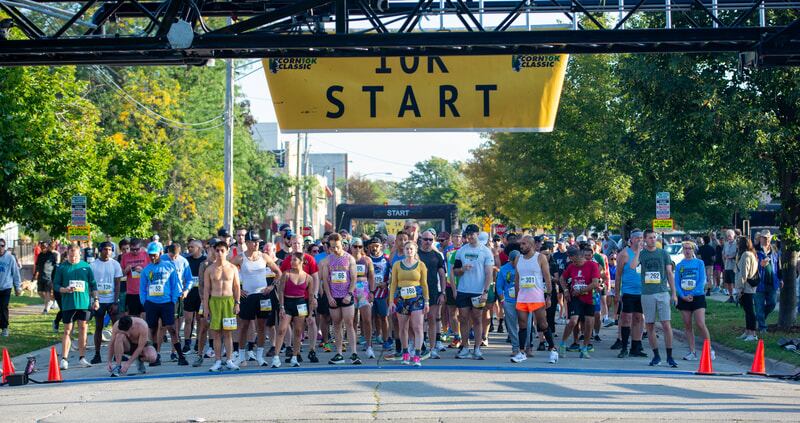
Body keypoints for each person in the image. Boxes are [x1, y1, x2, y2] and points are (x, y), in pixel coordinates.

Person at [231, 231, 282, 367]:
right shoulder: (240, 258)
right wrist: (237, 289)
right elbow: (227, 272)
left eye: (258, 241)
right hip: (247, 296)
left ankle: (259, 356)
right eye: (254, 241)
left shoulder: (264, 257)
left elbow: (278, 273)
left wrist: (271, 287)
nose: (256, 244)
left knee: (261, 327)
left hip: (263, 296)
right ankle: (241, 356)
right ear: (247, 243)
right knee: (244, 326)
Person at [139, 241, 188, 367]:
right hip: (152, 304)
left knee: (172, 329)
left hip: (167, 303)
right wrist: (145, 302)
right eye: (150, 255)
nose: (152, 257)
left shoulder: (169, 266)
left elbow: (175, 285)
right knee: (153, 330)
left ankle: (180, 356)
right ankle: (155, 358)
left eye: (154, 254)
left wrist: (173, 300)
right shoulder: (146, 270)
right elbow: (142, 288)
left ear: (160, 253)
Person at [512, 235, 558, 364]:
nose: (521, 246)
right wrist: (517, 297)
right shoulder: (518, 258)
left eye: (524, 244)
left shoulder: (540, 257)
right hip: (522, 297)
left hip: (537, 297)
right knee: (522, 325)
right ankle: (521, 352)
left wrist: (548, 295)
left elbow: (547, 278)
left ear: (531, 245)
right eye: (521, 244)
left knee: (542, 324)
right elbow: (517, 279)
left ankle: (553, 349)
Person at [452, 224, 495, 360]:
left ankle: (477, 348)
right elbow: (455, 271)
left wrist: (485, 291)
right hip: (464, 290)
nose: (470, 237)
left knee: (477, 318)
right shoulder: (461, 251)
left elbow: (489, 273)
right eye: (468, 234)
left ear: (477, 234)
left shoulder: (486, 251)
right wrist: (463, 269)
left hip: (478, 290)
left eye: (472, 234)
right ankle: (465, 347)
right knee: (463, 318)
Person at [53, 244, 98, 369]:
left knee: (83, 328)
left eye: (76, 256)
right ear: (67, 254)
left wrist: (96, 300)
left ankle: (82, 358)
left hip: (84, 304)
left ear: (80, 255)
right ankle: (64, 359)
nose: (73, 258)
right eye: (71, 256)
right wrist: (64, 289)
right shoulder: (62, 267)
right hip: (68, 304)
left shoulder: (86, 267)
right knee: (68, 330)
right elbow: (55, 285)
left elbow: (93, 285)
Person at [278, 234, 320, 362]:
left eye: (299, 243)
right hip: (292, 298)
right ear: (291, 244)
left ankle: (312, 350)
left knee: (311, 322)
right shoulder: (287, 261)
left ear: (303, 245)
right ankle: (295, 350)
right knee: (294, 326)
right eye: (294, 243)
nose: (296, 245)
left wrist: (315, 296)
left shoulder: (309, 259)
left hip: (307, 297)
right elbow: (281, 280)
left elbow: (316, 278)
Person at [320, 233, 361, 365]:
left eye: (337, 247)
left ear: (342, 244)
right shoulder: (327, 260)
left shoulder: (350, 259)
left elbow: (354, 278)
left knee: (349, 323)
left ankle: (354, 353)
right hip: (333, 297)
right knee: (336, 324)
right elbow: (325, 280)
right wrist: (329, 296)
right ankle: (339, 353)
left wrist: (349, 294)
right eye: (332, 247)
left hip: (346, 295)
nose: (335, 250)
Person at [639, 230, 678, 367]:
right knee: (650, 324)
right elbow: (633, 267)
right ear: (644, 239)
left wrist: (673, 293)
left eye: (654, 237)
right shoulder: (642, 254)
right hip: (647, 293)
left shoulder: (663, 253)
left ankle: (670, 356)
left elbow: (669, 273)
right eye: (650, 238)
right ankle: (656, 356)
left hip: (662, 292)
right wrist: (638, 250)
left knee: (666, 324)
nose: (652, 240)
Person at [270, 253, 315, 367]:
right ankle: (276, 357)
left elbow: (310, 297)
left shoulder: (308, 278)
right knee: (281, 329)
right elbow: (280, 291)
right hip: (287, 303)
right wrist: (281, 307)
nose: (291, 262)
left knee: (298, 331)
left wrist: (310, 314)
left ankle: (295, 357)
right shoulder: (286, 274)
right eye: (291, 260)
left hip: (300, 304)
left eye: (294, 260)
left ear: (301, 261)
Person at [203, 240, 242, 371]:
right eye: (217, 250)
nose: (219, 253)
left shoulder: (233, 268)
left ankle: (229, 360)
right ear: (214, 251)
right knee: (216, 333)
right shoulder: (210, 269)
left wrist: (237, 303)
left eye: (222, 251)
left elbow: (237, 287)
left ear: (227, 252)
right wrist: (206, 308)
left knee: (228, 333)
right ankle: (218, 360)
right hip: (214, 301)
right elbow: (206, 289)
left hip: (228, 301)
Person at [389, 241, 429, 366]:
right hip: (402, 297)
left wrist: (427, 301)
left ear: (415, 250)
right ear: (404, 250)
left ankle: (417, 355)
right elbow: (393, 284)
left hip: (416, 297)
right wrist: (391, 301)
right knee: (403, 327)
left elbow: (424, 284)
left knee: (418, 327)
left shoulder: (421, 265)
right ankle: (405, 353)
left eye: (411, 249)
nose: (409, 251)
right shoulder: (397, 264)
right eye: (407, 249)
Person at [559, 245, 600, 359]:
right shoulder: (571, 266)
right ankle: (562, 343)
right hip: (575, 298)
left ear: (578, 256)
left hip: (589, 298)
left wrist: (581, 290)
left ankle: (585, 348)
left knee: (588, 323)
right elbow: (562, 278)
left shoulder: (592, 265)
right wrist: (566, 290)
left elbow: (595, 283)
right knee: (573, 321)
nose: (572, 262)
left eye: (572, 259)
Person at [675, 241, 711, 361]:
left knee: (700, 323)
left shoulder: (699, 263)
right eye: (685, 248)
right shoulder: (679, 265)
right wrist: (682, 295)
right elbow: (677, 283)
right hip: (684, 298)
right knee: (687, 324)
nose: (687, 251)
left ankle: (709, 349)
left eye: (689, 248)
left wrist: (693, 293)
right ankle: (692, 351)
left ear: (693, 250)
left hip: (698, 296)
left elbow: (702, 280)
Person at [615, 230, 647, 359]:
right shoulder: (624, 254)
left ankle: (636, 346)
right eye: (637, 238)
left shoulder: (644, 254)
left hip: (642, 292)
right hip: (628, 291)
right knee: (626, 318)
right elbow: (618, 275)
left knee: (639, 318)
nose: (640, 240)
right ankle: (624, 347)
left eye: (641, 238)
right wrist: (617, 293)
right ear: (632, 240)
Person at [89, 241, 123, 364]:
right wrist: (93, 300)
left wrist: (115, 301)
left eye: (110, 250)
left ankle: (118, 353)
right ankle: (97, 354)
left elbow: (118, 283)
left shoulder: (115, 264)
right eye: (105, 249)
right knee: (99, 327)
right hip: (99, 301)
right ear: (100, 250)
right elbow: (91, 285)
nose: (108, 252)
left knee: (117, 328)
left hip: (111, 300)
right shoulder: (93, 265)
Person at [417, 230, 447, 358]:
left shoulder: (437, 255)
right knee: (418, 321)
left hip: (433, 292)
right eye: (425, 239)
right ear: (421, 240)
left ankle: (433, 348)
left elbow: (442, 275)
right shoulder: (415, 254)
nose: (428, 242)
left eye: (430, 239)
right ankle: (419, 346)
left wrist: (443, 293)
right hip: (417, 292)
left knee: (432, 319)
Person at [350, 238, 377, 358]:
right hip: (351, 290)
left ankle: (369, 345)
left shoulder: (367, 260)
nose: (357, 249)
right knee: (352, 320)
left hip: (364, 289)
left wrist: (372, 291)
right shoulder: (347, 259)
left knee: (367, 319)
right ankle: (353, 348)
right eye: (355, 246)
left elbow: (371, 276)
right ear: (351, 247)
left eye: (360, 247)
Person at [755, 230, 782, 334]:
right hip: (758, 284)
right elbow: (750, 267)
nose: (766, 240)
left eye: (768, 238)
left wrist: (781, 278)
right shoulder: (755, 250)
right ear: (760, 238)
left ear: (771, 238)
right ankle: (762, 328)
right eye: (764, 238)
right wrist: (760, 265)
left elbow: (778, 266)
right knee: (759, 306)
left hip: (772, 283)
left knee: (772, 303)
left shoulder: (774, 250)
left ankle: (759, 318)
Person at [183, 240, 206, 354]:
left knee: (200, 319)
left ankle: (198, 343)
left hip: (201, 294)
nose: (189, 249)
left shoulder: (204, 261)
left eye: (192, 247)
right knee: (188, 319)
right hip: (189, 293)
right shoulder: (186, 260)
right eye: (188, 247)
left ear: (199, 248)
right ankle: (187, 344)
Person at [496, 250, 520, 358]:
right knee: (512, 326)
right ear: (511, 260)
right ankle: (515, 348)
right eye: (516, 260)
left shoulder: (524, 267)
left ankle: (527, 347)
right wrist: (502, 300)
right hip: (509, 301)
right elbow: (499, 286)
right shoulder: (503, 269)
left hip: (523, 301)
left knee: (527, 325)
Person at [735, 237, 760, 341]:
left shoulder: (746, 255)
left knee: (749, 310)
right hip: (748, 286)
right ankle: (747, 331)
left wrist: (740, 289)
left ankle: (752, 333)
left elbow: (744, 273)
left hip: (746, 287)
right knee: (747, 310)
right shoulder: (751, 253)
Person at [368, 237, 391, 350]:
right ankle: (374, 338)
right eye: (372, 246)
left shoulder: (386, 258)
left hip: (383, 293)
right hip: (370, 292)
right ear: (369, 247)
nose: (374, 248)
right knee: (371, 317)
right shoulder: (366, 259)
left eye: (376, 246)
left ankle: (386, 340)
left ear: (381, 246)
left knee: (383, 316)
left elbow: (392, 275)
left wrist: (386, 283)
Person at [120, 239, 149, 317]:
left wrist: (143, 271)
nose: (135, 251)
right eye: (132, 249)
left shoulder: (146, 255)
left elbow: (152, 272)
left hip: (145, 291)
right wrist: (126, 270)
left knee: (145, 315)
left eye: (137, 249)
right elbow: (121, 274)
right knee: (134, 317)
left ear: (141, 248)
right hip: (131, 292)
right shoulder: (125, 257)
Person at [0, 239, 22, 337]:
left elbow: (15, 273)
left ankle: (5, 328)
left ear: (4, 246)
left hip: (6, 287)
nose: (0, 247)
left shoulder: (10, 258)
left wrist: (18, 287)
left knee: (3, 307)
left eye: (2, 245)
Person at [34, 240, 59, 314]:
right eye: (42, 247)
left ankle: (46, 309)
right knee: (40, 292)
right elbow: (37, 265)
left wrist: (55, 277)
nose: (43, 248)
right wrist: (35, 274)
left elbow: (55, 267)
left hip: (49, 277)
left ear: (47, 247)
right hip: (41, 276)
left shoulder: (52, 255)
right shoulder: (40, 255)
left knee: (47, 292)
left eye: (45, 247)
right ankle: (50, 301)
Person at [722, 230, 738, 303]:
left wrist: (732, 257)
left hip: (734, 266)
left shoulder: (736, 244)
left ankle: (737, 297)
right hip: (727, 265)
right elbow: (723, 253)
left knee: (735, 282)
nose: (729, 237)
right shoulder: (726, 244)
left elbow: (738, 254)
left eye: (730, 235)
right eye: (728, 236)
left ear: (733, 236)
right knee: (728, 282)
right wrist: (725, 257)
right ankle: (731, 296)